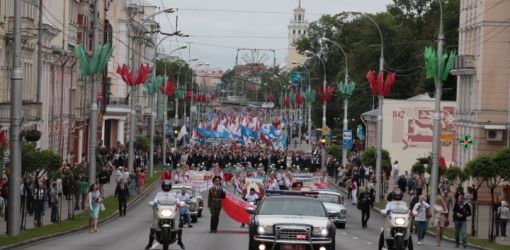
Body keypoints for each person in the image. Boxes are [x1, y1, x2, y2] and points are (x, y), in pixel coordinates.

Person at [145, 176, 185, 250]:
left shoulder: (174, 194)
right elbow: (155, 200)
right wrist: (153, 203)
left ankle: (180, 241)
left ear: (170, 187)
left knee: (178, 226)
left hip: (171, 211)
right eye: (165, 186)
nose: (166, 188)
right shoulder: (159, 194)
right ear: (163, 186)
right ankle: (150, 244)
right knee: (153, 227)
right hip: (161, 211)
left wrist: (179, 203)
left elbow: (177, 200)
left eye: (167, 186)